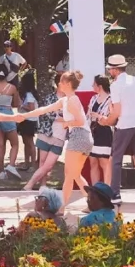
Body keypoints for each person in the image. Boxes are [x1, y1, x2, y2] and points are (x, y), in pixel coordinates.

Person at [18, 71, 92, 211]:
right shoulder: (66, 100)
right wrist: (24, 116)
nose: (59, 84)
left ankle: (61, 208)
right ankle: (92, 203)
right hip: (84, 138)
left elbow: (80, 121)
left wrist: (65, 123)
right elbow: (45, 109)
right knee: (75, 174)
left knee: (69, 175)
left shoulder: (71, 100)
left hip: (78, 137)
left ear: (68, 84)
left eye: (62, 82)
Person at [102, 54, 135, 205]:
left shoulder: (116, 85)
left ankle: (115, 194)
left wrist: (106, 121)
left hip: (124, 125)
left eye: (110, 69)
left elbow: (116, 111)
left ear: (116, 70)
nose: (109, 72)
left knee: (116, 160)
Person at [23, 91, 65, 192]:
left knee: (48, 165)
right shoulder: (50, 97)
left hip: (60, 136)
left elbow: (70, 116)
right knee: (42, 162)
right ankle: (42, 186)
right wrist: (62, 117)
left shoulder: (70, 99)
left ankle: (30, 185)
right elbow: (48, 114)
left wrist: (62, 117)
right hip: (46, 132)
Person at [88, 75, 113, 186]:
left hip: (104, 132)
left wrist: (98, 116)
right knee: (93, 162)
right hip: (92, 132)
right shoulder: (93, 98)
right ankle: (95, 190)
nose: (92, 86)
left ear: (100, 86)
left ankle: (107, 189)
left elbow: (112, 117)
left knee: (105, 163)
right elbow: (88, 114)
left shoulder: (110, 100)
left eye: (94, 84)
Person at [17, 72, 38, 170]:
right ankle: (26, 163)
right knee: (26, 142)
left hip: (29, 120)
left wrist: (21, 105)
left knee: (29, 142)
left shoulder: (29, 95)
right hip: (27, 120)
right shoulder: (30, 94)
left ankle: (33, 164)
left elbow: (31, 108)